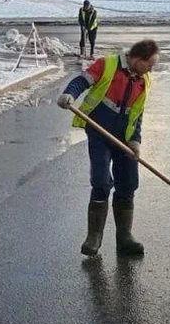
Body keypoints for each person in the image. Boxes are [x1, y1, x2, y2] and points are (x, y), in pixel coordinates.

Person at [57, 39, 159, 257]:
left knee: (129, 183)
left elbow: (137, 114)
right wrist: (69, 94)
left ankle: (124, 237)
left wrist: (135, 141)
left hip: (124, 139)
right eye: (149, 64)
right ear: (137, 59)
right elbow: (81, 81)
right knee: (102, 181)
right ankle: (94, 237)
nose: (152, 68)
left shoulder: (144, 80)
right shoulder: (108, 65)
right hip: (99, 133)